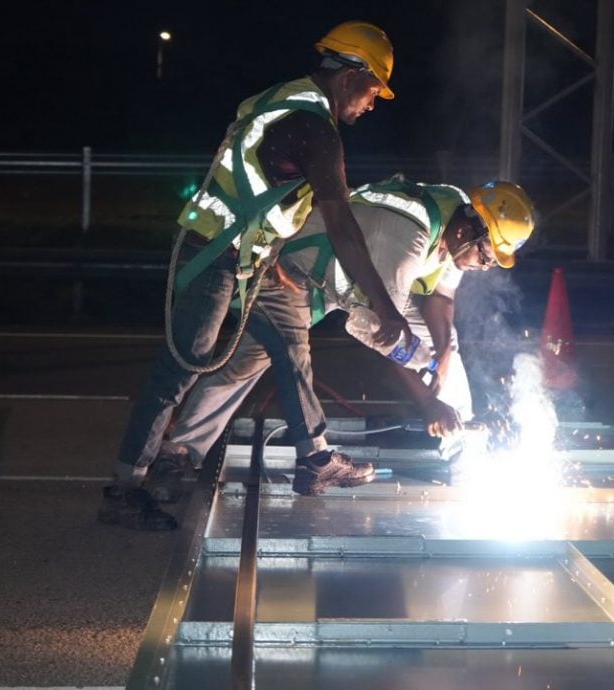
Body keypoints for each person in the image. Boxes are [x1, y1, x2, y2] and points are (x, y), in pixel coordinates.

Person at [100, 21, 410, 530]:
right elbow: (343, 228)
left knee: (290, 342)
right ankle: (123, 489)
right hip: (217, 253)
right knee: (181, 368)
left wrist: (273, 252)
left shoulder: (284, 98)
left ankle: (316, 460)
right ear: (353, 75)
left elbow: (269, 190)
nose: (373, 103)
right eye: (375, 88)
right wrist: (384, 306)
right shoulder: (316, 130)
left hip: (253, 257)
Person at [163, 177, 537, 496]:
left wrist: (441, 356)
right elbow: (382, 333)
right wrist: (426, 401)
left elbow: (440, 298)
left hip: (354, 286)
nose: (484, 266)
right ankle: (178, 452)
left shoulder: (457, 217)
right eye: (487, 258)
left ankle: (464, 454)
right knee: (250, 362)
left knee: (444, 351)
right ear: (466, 233)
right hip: (298, 272)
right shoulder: (409, 233)